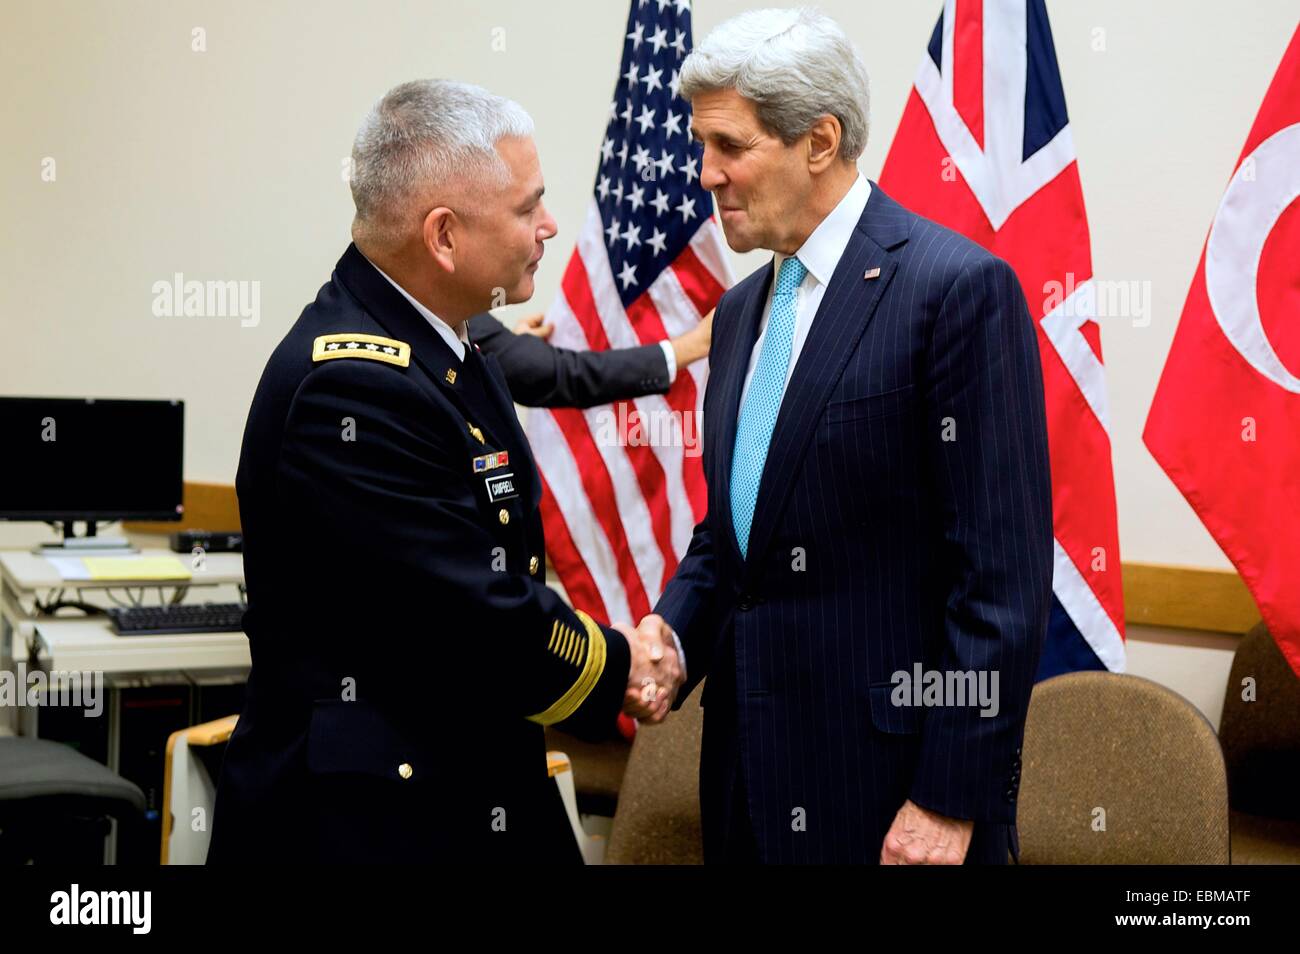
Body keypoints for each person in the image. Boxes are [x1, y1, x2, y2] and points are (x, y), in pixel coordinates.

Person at [207, 78, 681, 864]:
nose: (550, 226)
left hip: (468, 779)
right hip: (371, 820)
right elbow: (469, 611)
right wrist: (620, 663)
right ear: (443, 237)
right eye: (528, 208)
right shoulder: (351, 385)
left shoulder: (450, 344)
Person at [631, 8, 1053, 865]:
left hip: (892, 795)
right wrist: (674, 635)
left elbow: (999, 583)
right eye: (700, 144)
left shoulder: (956, 292)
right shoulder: (744, 311)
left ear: (818, 141)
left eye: (730, 145)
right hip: (746, 778)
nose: (705, 174)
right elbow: (737, 533)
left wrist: (948, 800)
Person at [466, 308, 712, 409]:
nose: (548, 227)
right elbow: (567, 374)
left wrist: (506, 350)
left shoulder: (457, 313)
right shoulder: (458, 314)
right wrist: (690, 346)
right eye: (524, 212)